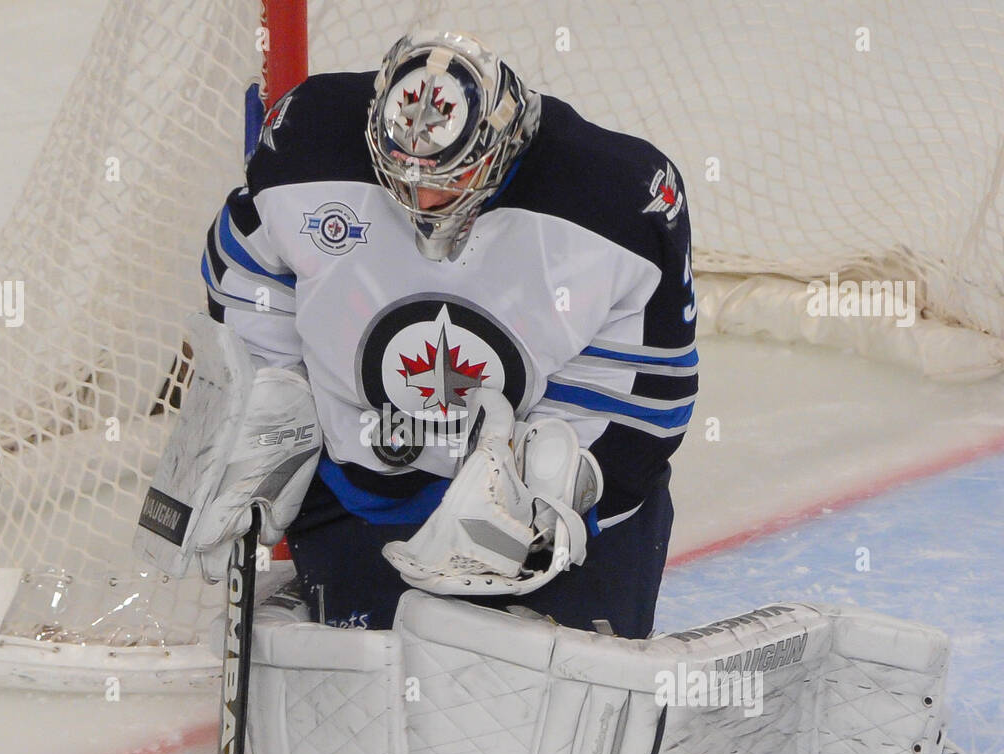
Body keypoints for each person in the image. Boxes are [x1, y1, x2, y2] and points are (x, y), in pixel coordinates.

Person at [199, 29, 696, 638]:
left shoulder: (617, 198)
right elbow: (250, 270)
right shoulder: (307, 144)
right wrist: (271, 400)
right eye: (401, 178)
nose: (422, 198)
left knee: (548, 714)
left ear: (504, 143)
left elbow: (654, 397)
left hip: (549, 519)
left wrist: (556, 487)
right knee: (364, 705)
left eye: (448, 180)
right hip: (358, 490)